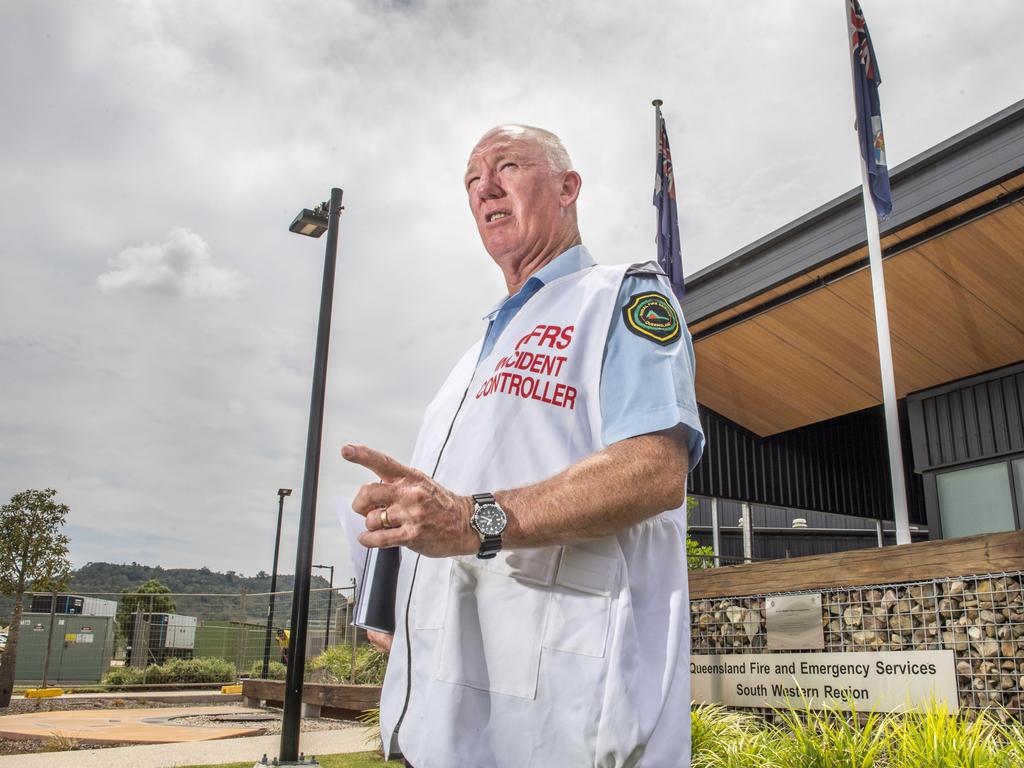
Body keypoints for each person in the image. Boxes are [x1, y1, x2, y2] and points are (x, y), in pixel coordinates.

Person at [344, 124, 704, 767]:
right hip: (441, 724)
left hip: (565, 722)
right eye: (471, 179)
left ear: (568, 188)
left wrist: (472, 519)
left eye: (506, 165)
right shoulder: (471, 359)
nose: (484, 186)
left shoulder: (620, 295)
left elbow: (654, 468)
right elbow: (445, 514)